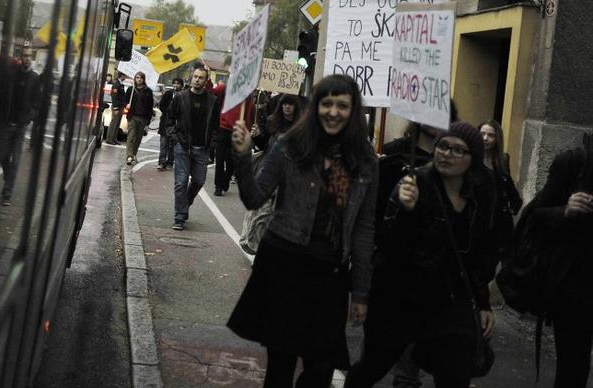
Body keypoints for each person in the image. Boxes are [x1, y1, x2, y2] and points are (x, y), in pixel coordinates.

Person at [228, 74, 378, 388]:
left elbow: (364, 230)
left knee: (321, 369)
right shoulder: (289, 146)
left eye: (342, 105)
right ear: (315, 107)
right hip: (284, 265)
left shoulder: (365, 161)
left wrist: (361, 292)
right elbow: (254, 198)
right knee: (280, 366)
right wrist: (242, 156)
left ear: (353, 111)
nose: (333, 112)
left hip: (330, 274)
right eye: (326, 104)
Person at [346, 121, 500, 388]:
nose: (447, 154)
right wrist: (406, 211)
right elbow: (388, 245)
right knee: (374, 365)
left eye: (458, 150)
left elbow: (482, 250)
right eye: (443, 146)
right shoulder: (414, 183)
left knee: (454, 371)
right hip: (401, 296)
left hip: (449, 300)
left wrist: (482, 301)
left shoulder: (481, 191)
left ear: (473, 158)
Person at [527, 147, 593, 388]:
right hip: (577, 286)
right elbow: (537, 215)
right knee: (574, 366)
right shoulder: (574, 162)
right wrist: (566, 210)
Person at [164, 64, 220, 231]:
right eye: (195, 77)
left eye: (201, 78)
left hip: (202, 148)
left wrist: (212, 144)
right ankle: (179, 217)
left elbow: (215, 125)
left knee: (198, 181)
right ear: (191, 78)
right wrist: (175, 139)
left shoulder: (212, 100)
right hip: (182, 146)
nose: (197, 80)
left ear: (206, 81)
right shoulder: (180, 97)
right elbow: (169, 120)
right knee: (181, 182)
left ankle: (185, 203)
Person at [0, 47, 41, 206]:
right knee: (2, 155)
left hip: (21, 126)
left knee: (15, 160)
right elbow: (3, 95)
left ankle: (7, 193)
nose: (26, 58)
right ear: (20, 57)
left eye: (29, 56)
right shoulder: (12, 75)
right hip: (8, 122)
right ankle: (8, 177)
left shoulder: (34, 78)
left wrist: (30, 117)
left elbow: (37, 102)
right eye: (24, 56)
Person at [479, 120, 522, 253]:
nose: (485, 138)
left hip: (499, 221)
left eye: (490, 135)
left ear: (497, 138)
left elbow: (508, 186)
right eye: (482, 134)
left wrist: (515, 204)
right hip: (479, 218)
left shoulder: (502, 159)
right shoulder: (471, 158)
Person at [213, 92, 255, 196]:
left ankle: (226, 180)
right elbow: (213, 92)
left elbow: (249, 112)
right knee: (219, 158)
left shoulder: (247, 93)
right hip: (223, 128)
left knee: (232, 160)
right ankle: (218, 186)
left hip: (237, 129)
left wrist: (247, 130)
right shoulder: (226, 89)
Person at [125, 71, 154, 165]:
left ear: (144, 79)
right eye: (137, 77)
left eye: (141, 78)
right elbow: (125, 100)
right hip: (132, 116)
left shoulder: (148, 91)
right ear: (135, 79)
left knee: (138, 138)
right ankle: (129, 156)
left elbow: (150, 106)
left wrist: (148, 120)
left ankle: (133, 154)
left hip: (143, 118)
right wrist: (126, 105)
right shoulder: (131, 89)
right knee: (131, 136)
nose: (139, 79)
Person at [156, 78, 183, 170]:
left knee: (173, 145)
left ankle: (170, 163)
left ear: (181, 85)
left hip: (176, 124)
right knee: (163, 144)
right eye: (174, 83)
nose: (176, 85)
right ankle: (161, 162)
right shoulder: (168, 94)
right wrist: (168, 112)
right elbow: (161, 105)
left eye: (178, 83)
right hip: (165, 123)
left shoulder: (183, 96)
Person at [106, 72, 130, 145]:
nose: (126, 77)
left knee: (117, 124)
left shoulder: (120, 84)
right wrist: (115, 108)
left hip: (121, 107)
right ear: (122, 76)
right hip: (117, 107)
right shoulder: (116, 84)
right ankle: (109, 139)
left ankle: (114, 138)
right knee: (114, 123)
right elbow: (114, 96)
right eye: (125, 75)